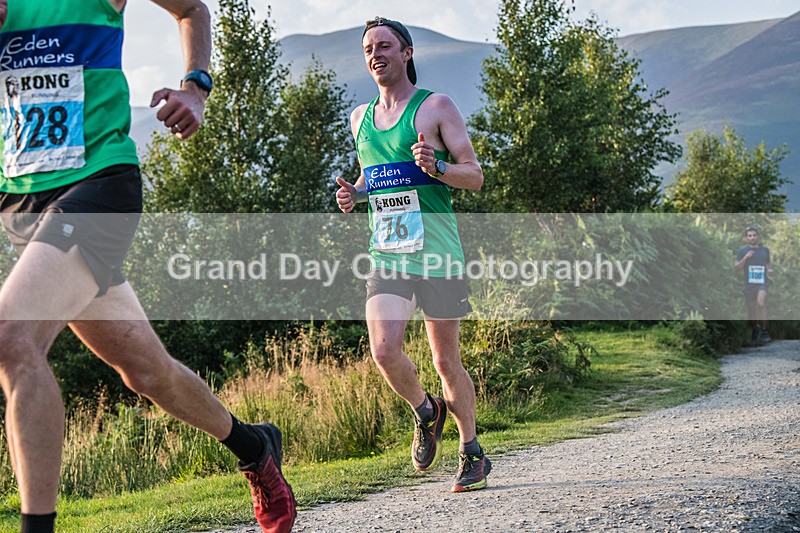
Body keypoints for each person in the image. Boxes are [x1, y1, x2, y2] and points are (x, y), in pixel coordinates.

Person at [0, 1, 295, 532]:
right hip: (23, 205)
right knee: (146, 372)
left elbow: (190, 8)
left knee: (12, 338)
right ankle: (255, 446)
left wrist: (196, 87)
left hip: (98, 188)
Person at [335, 17, 490, 493]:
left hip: (438, 251)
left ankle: (471, 450)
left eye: (385, 45)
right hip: (389, 252)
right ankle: (426, 410)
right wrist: (354, 195)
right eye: (368, 48)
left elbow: (474, 175)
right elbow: (374, 178)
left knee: (446, 361)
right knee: (384, 351)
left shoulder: (435, 107)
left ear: (406, 53)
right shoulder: (361, 118)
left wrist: (439, 166)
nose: (375, 54)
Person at [734, 226, 773, 343]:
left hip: (762, 282)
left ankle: (765, 331)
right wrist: (745, 258)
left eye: (754, 235)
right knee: (751, 311)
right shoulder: (742, 251)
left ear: (758, 236)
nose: (752, 237)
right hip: (749, 284)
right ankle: (755, 329)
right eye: (750, 236)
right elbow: (736, 267)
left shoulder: (765, 250)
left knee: (761, 303)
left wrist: (770, 270)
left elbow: (768, 265)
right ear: (746, 237)